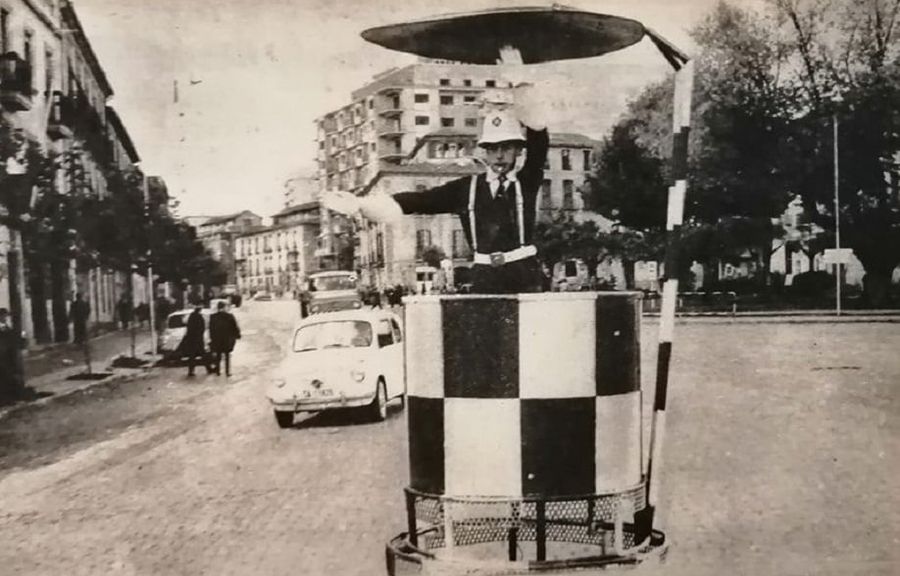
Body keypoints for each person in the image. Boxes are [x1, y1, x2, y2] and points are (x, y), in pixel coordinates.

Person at [324, 72, 549, 294]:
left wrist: (521, 81)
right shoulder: (466, 188)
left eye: (506, 148)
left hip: (525, 274)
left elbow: (539, 142)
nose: (499, 156)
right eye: (493, 149)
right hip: (485, 276)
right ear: (485, 152)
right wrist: (361, 205)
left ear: (518, 150)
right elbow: (420, 200)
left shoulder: (526, 181)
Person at [208, 301, 241, 377]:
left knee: (218, 356)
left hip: (217, 340)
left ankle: (218, 371)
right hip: (227, 340)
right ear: (223, 307)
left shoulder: (213, 317)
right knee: (227, 356)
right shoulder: (229, 316)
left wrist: (212, 339)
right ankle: (227, 372)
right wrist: (237, 335)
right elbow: (234, 327)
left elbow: (211, 329)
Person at [178, 306, 211, 377]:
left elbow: (188, 328)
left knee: (192, 356)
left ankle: (191, 371)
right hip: (198, 339)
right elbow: (202, 328)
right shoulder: (199, 317)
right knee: (203, 354)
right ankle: (208, 368)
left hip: (191, 339)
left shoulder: (191, 317)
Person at [0, 308, 20, 402]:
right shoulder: (3, 328)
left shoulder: (6, 327)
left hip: (9, 353)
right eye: (4, 316)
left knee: (9, 372)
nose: (5, 318)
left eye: (6, 316)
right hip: (3, 353)